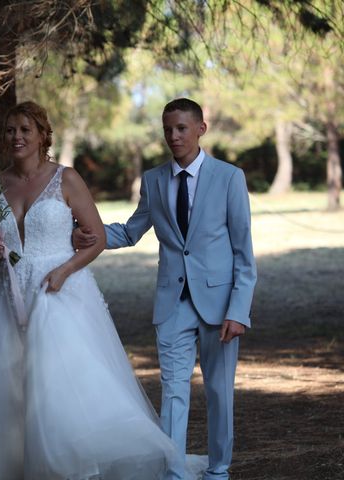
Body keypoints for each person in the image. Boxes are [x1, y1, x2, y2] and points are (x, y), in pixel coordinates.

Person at [0, 101, 200, 480]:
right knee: (7, 385)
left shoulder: (66, 179)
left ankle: (70, 466)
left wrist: (65, 270)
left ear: (42, 135)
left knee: (63, 386)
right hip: (7, 297)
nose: (17, 137)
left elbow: (94, 239)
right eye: (11, 130)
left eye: (25, 130)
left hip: (59, 292)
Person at [74, 98, 257, 480]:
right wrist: (84, 234)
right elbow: (130, 230)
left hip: (220, 305)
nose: (173, 136)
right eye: (167, 129)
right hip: (172, 304)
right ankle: (174, 472)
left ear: (200, 129)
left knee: (219, 393)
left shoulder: (229, 178)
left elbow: (244, 253)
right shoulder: (154, 181)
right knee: (173, 392)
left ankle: (219, 469)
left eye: (181, 128)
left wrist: (238, 311)